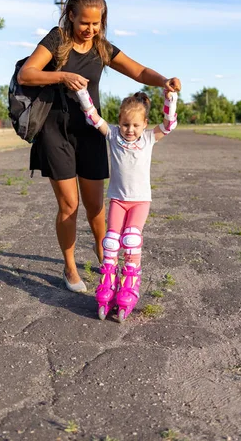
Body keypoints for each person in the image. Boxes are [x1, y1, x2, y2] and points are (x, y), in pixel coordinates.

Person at [17, 0, 181, 292]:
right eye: (85, 23)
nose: (91, 29)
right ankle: (69, 268)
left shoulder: (101, 47)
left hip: (91, 132)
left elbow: (138, 70)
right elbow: (28, 74)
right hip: (55, 133)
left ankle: (102, 252)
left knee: (95, 206)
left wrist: (163, 81)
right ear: (71, 16)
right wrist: (63, 76)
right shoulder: (57, 39)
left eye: (97, 23)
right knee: (69, 205)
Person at [75, 87, 178, 321]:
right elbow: (93, 117)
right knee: (111, 242)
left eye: (135, 126)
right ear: (119, 122)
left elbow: (169, 125)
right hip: (118, 201)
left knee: (131, 240)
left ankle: (129, 288)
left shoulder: (149, 138)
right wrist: (82, 94)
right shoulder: (113, 135)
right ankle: (107, 288)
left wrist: (170, 100)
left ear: (144, 124)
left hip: (140, 201)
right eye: (125, 125)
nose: (130, 130)